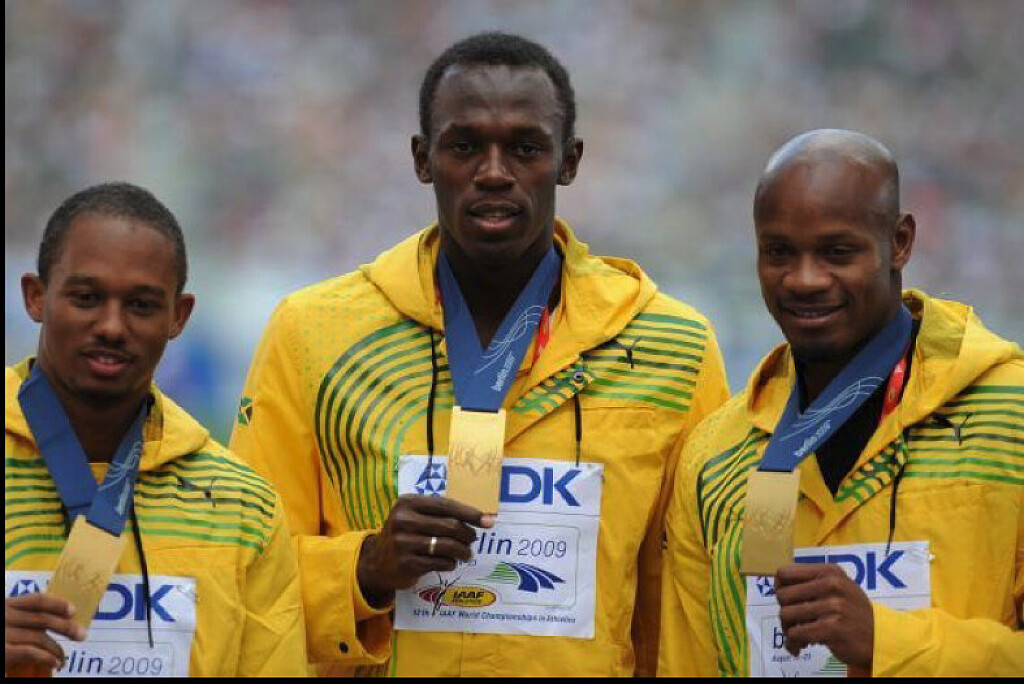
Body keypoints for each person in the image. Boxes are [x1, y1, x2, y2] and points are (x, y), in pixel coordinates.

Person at [230, 32, 729, 676]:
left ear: (569, 161)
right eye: (464, 146)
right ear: (423, 159)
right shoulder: (314, 333)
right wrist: (365, 568)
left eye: (526, 148)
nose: (494, 172)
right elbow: (246, 577)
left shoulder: (672, 346)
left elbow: (691, 605)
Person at [658, 129, 1023, 677]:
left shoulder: (1010, 415)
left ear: (899, 242)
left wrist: (888, 643)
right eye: (779, 252)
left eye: (837, 252)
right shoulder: (717, 455)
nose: (804, 280)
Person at [4, 183, 308, 677]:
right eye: (86, 298)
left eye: (141, 305)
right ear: (36, 297)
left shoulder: (241, 505)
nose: (111, 326)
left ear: (178, 316)